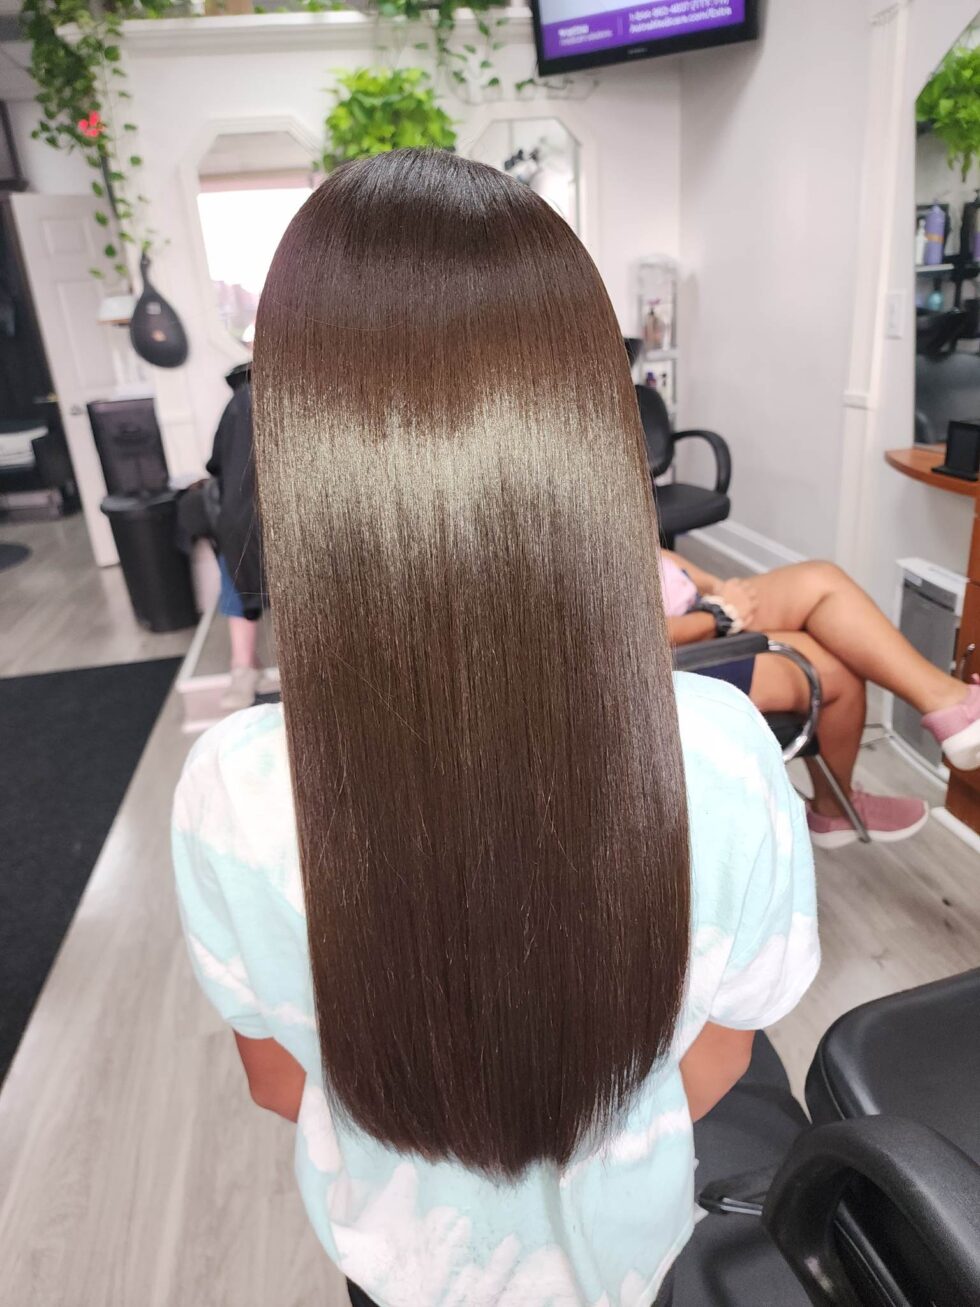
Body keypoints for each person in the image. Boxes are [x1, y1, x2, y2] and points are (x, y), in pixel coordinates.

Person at [172, 150, 818, 1307]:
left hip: (399, 1267)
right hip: (631, 1257)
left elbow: (277, 1083)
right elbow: (721, 1056)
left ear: (298, 445)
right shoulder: (720, 751)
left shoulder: (230, 789)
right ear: (586, 425)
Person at [662, 550, 980, 848]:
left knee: (822, 582)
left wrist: (716, 589)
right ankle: (834, 809)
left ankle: (950, 702)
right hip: (658, 658)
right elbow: (631, 636)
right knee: (836, 671)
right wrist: (718, 614)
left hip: (678, 607)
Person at [206, 364, 269, 711]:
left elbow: (215, 462)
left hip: (240, 516)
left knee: (235, 574)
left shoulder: (239, 401)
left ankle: (243, 667)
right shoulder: (302, 396)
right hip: (285, 517)